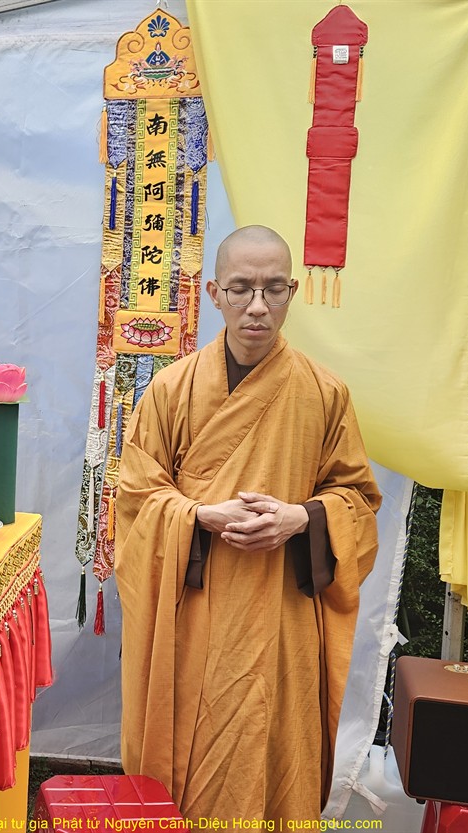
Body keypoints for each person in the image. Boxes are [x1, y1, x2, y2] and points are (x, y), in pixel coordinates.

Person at [114, 225, 381, 825]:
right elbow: (135, 497)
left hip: (279, 618)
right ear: (214, 293)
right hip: (191, 615)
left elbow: (358, 503)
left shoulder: (325, 393)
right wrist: (196, 515)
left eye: (272, 289)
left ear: (292, 293)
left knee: (271, 751)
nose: (257, 306)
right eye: (241, 289)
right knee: (188, 753)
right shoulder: (171, 389)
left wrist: (301, 517)